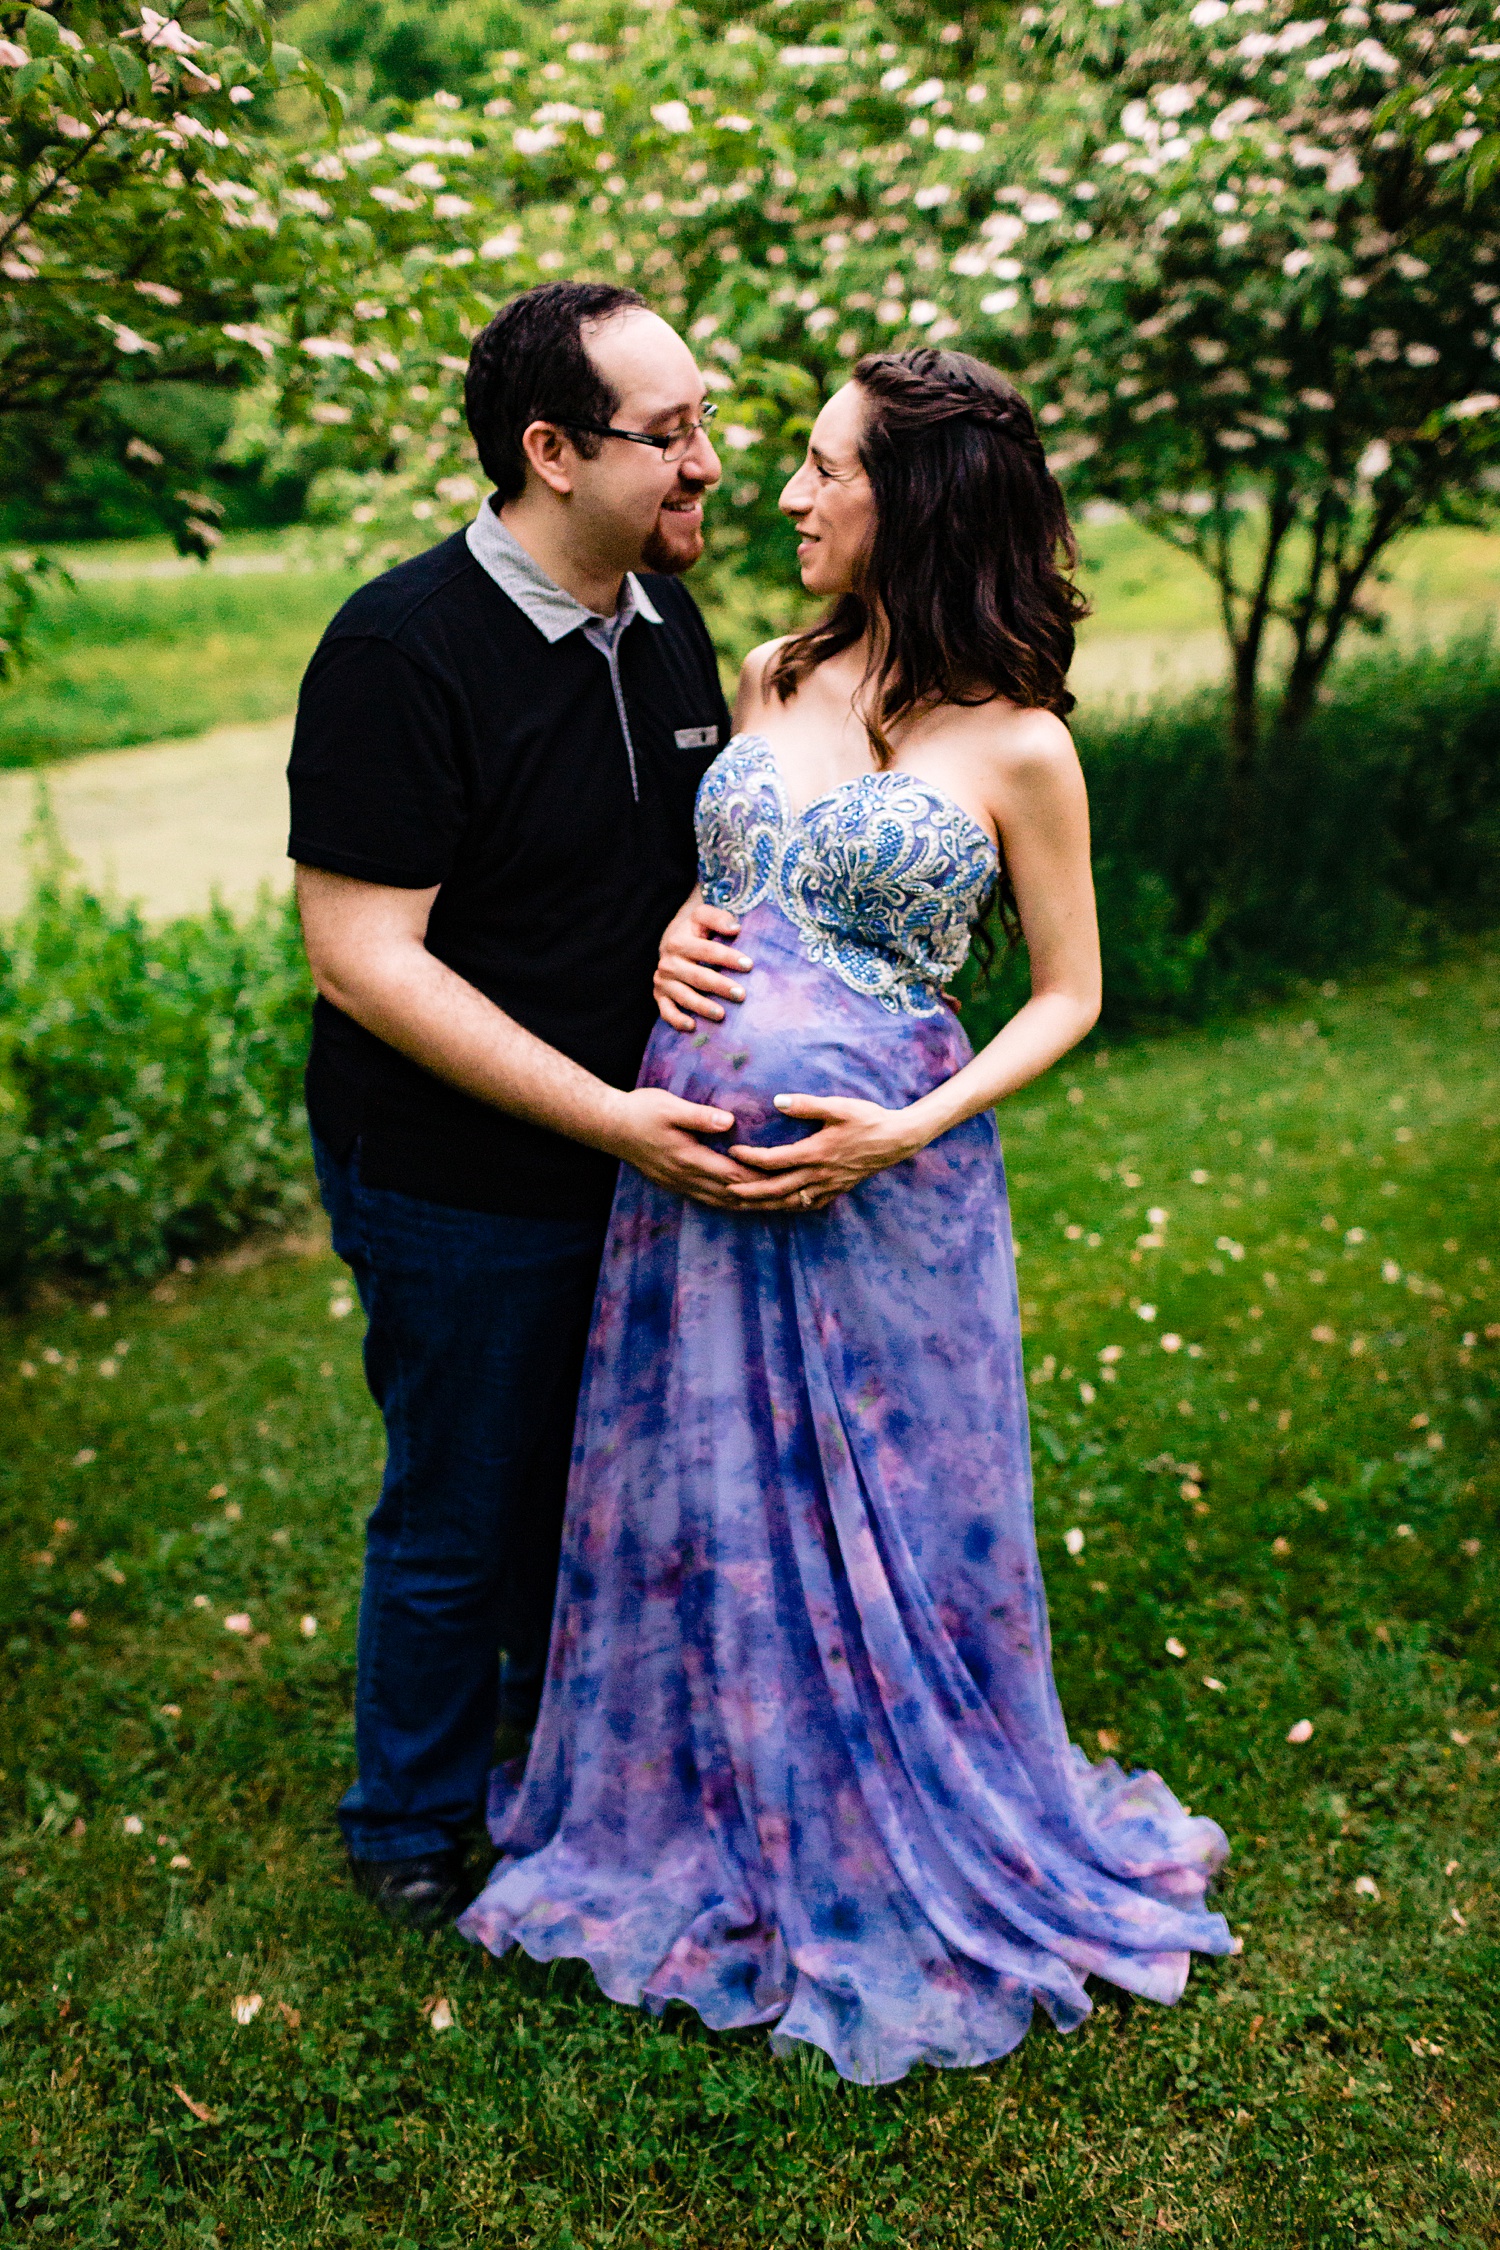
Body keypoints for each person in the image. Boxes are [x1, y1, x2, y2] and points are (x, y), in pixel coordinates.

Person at [458, 348, 1235, 2083]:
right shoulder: (766, 668)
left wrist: (902, 1129)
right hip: (687, 1201)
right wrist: (671, 935)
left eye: (823, 469)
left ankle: (901, 1821)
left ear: (919, 502)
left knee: (890, 1511)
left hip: (890, 1209)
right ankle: (707, 1805)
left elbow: (1069, 994)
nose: (781, 495)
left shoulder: (1023, 744)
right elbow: (731, 882)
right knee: (701, 1497)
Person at [287, 281, 759, 1925]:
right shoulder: (399, 650)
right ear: (551, 451)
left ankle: (554, 1743)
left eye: (708, 417)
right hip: (456, 1171)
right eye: (674, 432)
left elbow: (646, 866)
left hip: (625, 1149)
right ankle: (407, 1823)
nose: (711, 459)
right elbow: (364, 958)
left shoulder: (665, 618)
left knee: (588, 1474)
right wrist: (608, 1114)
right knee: (461, 1492)